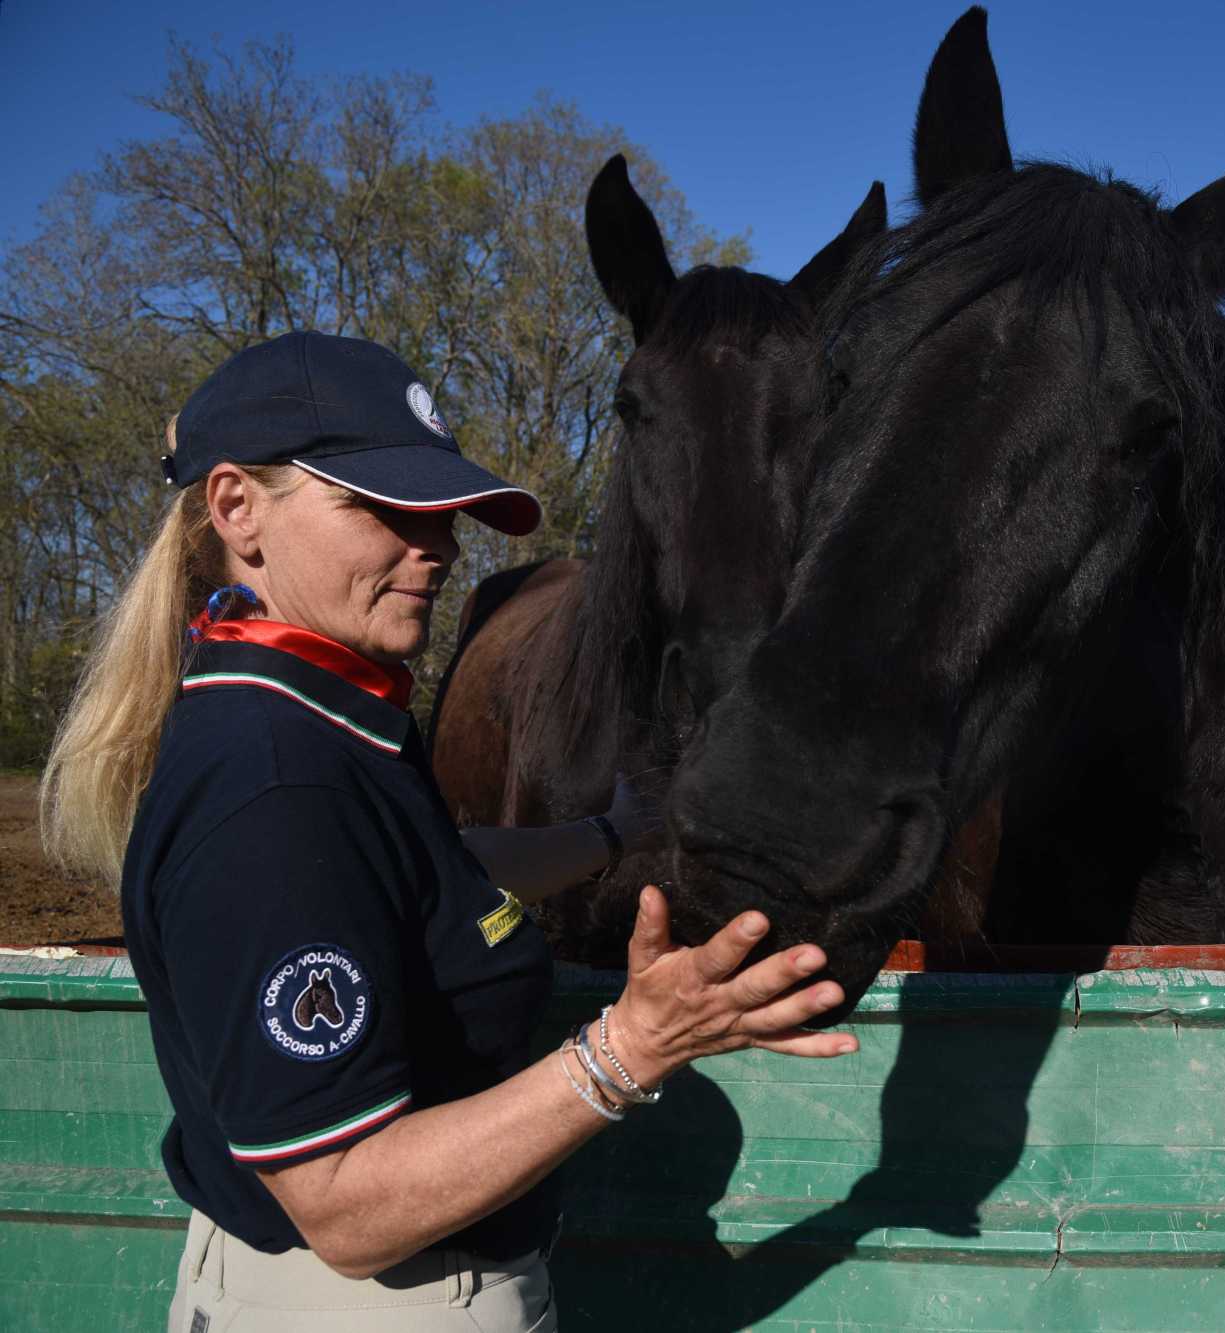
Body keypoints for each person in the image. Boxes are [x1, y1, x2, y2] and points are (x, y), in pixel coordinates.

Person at [39, 331, 857, 1332]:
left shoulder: (315, 720)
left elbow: (424, 877)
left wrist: (608, 832)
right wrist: (633, 1046)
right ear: (237, 509)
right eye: (380, 505)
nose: (435, 544)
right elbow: (344, 1203)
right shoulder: (279, 785)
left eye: (440, 510)